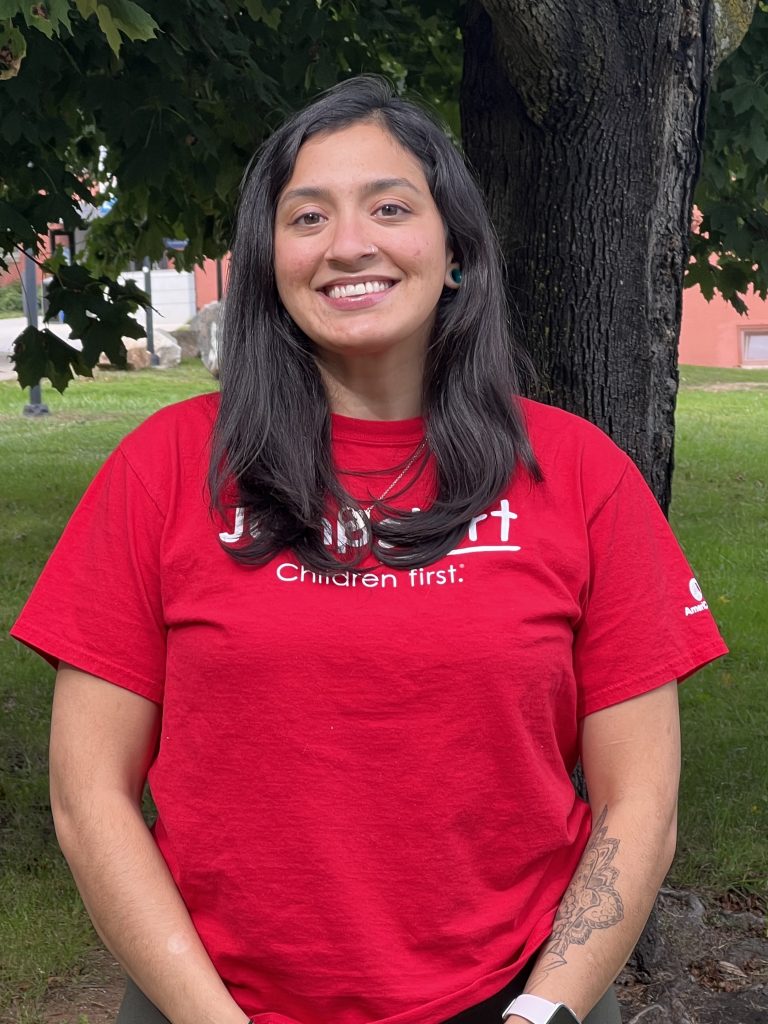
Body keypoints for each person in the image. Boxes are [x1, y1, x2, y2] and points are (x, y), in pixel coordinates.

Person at [12, 76, 727, 1024]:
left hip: (515, 997)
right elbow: (88, 795)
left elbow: (642, 803)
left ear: (456, 248)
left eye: (390, 207)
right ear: (270, 261)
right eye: (307, 217)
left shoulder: (581, 475)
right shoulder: (165, 469)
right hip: (209, 1003)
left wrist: (545, 1011)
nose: (350, 244)